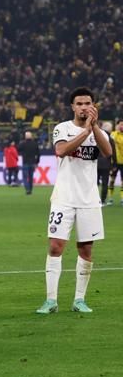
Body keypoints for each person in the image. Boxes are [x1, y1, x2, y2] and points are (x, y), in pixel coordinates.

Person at [37, 87, 110, 315]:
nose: (83, 107)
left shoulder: (99, 132)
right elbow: (61, 151)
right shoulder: (62, 128)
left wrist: (94, 127)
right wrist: (85, 130)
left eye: (87, 103)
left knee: (86, 250)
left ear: (93, 105)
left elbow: (107, 151)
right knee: (55, 246)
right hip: (64, 198)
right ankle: (51, 300)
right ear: (72, 107)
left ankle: (79, 299)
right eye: (79, 103)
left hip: (89, 200)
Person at [96, 121, 114, 207]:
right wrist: (113, 165)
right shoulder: (110, 139)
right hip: (106, 164)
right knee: (105, 183)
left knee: (95, 183)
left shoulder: (95, 136)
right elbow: (112, 153)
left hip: (96, 163)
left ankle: (94, 200)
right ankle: (102, 201)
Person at [19, 130, 40, 196]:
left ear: (25, 137)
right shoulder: (35, 144)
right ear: (31, 136)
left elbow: (18, 149)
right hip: (32, 163)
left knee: (25, 177)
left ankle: (27, 189)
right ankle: (30, 190)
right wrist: (37, 162)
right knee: (31, 177)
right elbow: (38, 154)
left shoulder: (23, 144)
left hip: (25, 162)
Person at [110, 121, 123, 205]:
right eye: (121, 124)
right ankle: (110, 198)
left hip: (122, 162)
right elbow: (111, 142)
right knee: (112, 180)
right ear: (117, 125)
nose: (122, 126)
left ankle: (122, 199)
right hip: (114, 162)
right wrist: (117, 131)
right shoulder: (113, 134)